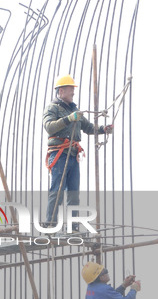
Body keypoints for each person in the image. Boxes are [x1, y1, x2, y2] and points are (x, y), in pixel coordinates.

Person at [43, 74, 113, 226]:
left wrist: (103, 129)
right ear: (61, 91)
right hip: (59, 154)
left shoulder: (75, 110)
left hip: (73, 155)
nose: (73, 93)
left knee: (73, 194)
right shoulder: (52, 108)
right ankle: (51, 224)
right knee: (58, 191)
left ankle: (73, 226)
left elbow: (89, 128)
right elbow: (49, 127)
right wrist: (68, 119)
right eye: (70, 90)